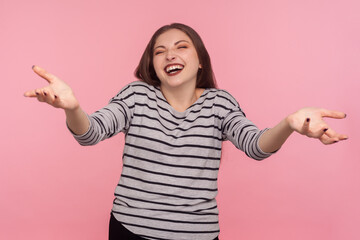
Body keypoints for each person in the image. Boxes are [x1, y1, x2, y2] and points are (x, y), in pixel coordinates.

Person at [24, 23, 348, 240]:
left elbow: (255, 144)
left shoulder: (220, 104)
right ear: (152, 64)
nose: (170, 55)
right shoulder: (136, 96)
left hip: (198, 235)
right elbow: (91, 132)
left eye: (181, 47)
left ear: (200, 61)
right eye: (159, 51)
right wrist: (72, 108)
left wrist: (290, 123)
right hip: (130, 230)